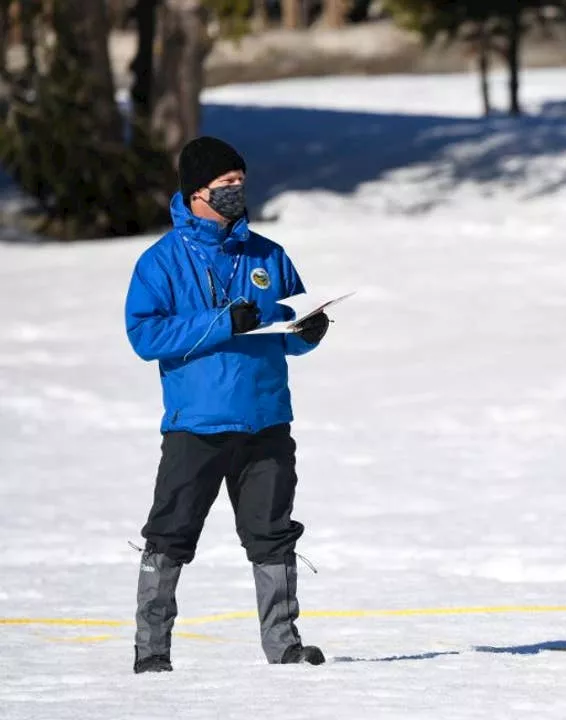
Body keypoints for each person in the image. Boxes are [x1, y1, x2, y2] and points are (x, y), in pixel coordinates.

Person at [124, 136, 331, 673]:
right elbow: (144, 336)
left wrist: (309, 330)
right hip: (197, 424)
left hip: (266, 418)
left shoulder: (269, 255)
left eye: (242, 182)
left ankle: (284, 645)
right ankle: (152, 651)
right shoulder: (160, 262)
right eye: (226, 185)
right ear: (197, 192)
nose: (238, 192)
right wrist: (219, 323)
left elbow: (288, 327)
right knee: (170, 533)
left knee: (273, 532)